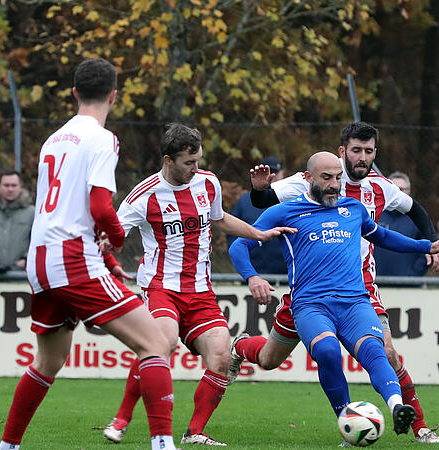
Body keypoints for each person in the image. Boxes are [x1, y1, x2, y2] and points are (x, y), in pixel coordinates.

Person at [0, 58, 178, 450]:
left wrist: (107, 258)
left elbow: (65, 208)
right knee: (156, 345)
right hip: (72, 260)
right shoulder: (102, 138)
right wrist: (116, 237)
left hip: (40, 259)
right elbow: (98, 206)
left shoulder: (54, 139)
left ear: (75, 93)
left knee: (48, 361)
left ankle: (7, 446)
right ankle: (163, 444)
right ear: (114, 95)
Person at [233, 122, 439, 444]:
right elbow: (244, 237)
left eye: (337, 179)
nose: (335, 185)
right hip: (309, 300)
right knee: (293, 356)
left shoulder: (356, 206)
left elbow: (385, 235)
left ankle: (400, 411)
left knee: (379, 350)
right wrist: (252, 278)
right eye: (327, 179)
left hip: (356, 295)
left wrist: (427, 244)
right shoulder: (288, 208)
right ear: (311, 177)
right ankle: (243, 347)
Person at [103, 123, 295, 447]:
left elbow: (220, 218)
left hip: (200, 290)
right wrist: (106, 253)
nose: (196, 168)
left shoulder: (208, 183)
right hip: (161, 287)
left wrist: (258, 233)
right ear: (168, 160)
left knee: (220, 357)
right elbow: (111, 233)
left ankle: (194, 432)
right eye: (188, 163)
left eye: (198, 160)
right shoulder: (143, 195)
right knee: (160, 346)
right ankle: (121, 419)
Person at [225, 156, 287, 274]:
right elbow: (232, 233)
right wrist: (244, 264)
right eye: (268, 173)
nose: (271, 176)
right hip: (254, 272)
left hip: (287, 272)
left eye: (275, 172)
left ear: (282, 174)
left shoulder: (292, 200)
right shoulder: (245, 201)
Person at [375, 172, 429, 277]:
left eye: (401, 189)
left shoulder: (419, 218)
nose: (397, 193)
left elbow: (427, 249)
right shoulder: (375, 213)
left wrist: (413, 274)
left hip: (408, 286)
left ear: (409, 192)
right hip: (375, 282)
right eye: (394, 189)